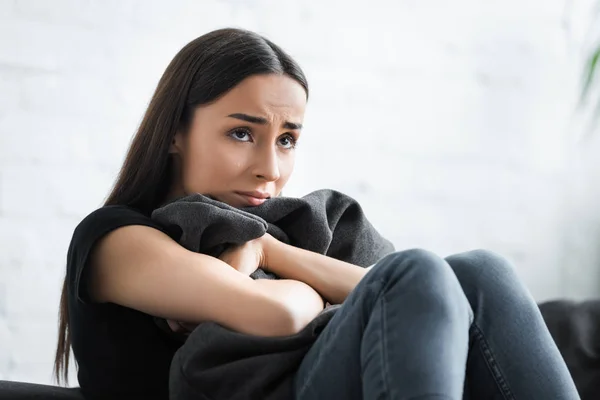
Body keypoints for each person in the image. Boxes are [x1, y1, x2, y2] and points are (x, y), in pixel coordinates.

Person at [54, 28, 580, 400]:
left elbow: (422, 291)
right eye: (242, 133)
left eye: (286, 140)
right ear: (175, 132)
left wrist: (270, 250)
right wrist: (307, 286)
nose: (270, 168)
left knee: (481, 273)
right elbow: (277, 316)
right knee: (417, 271)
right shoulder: (116, 238)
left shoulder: (271, 233)